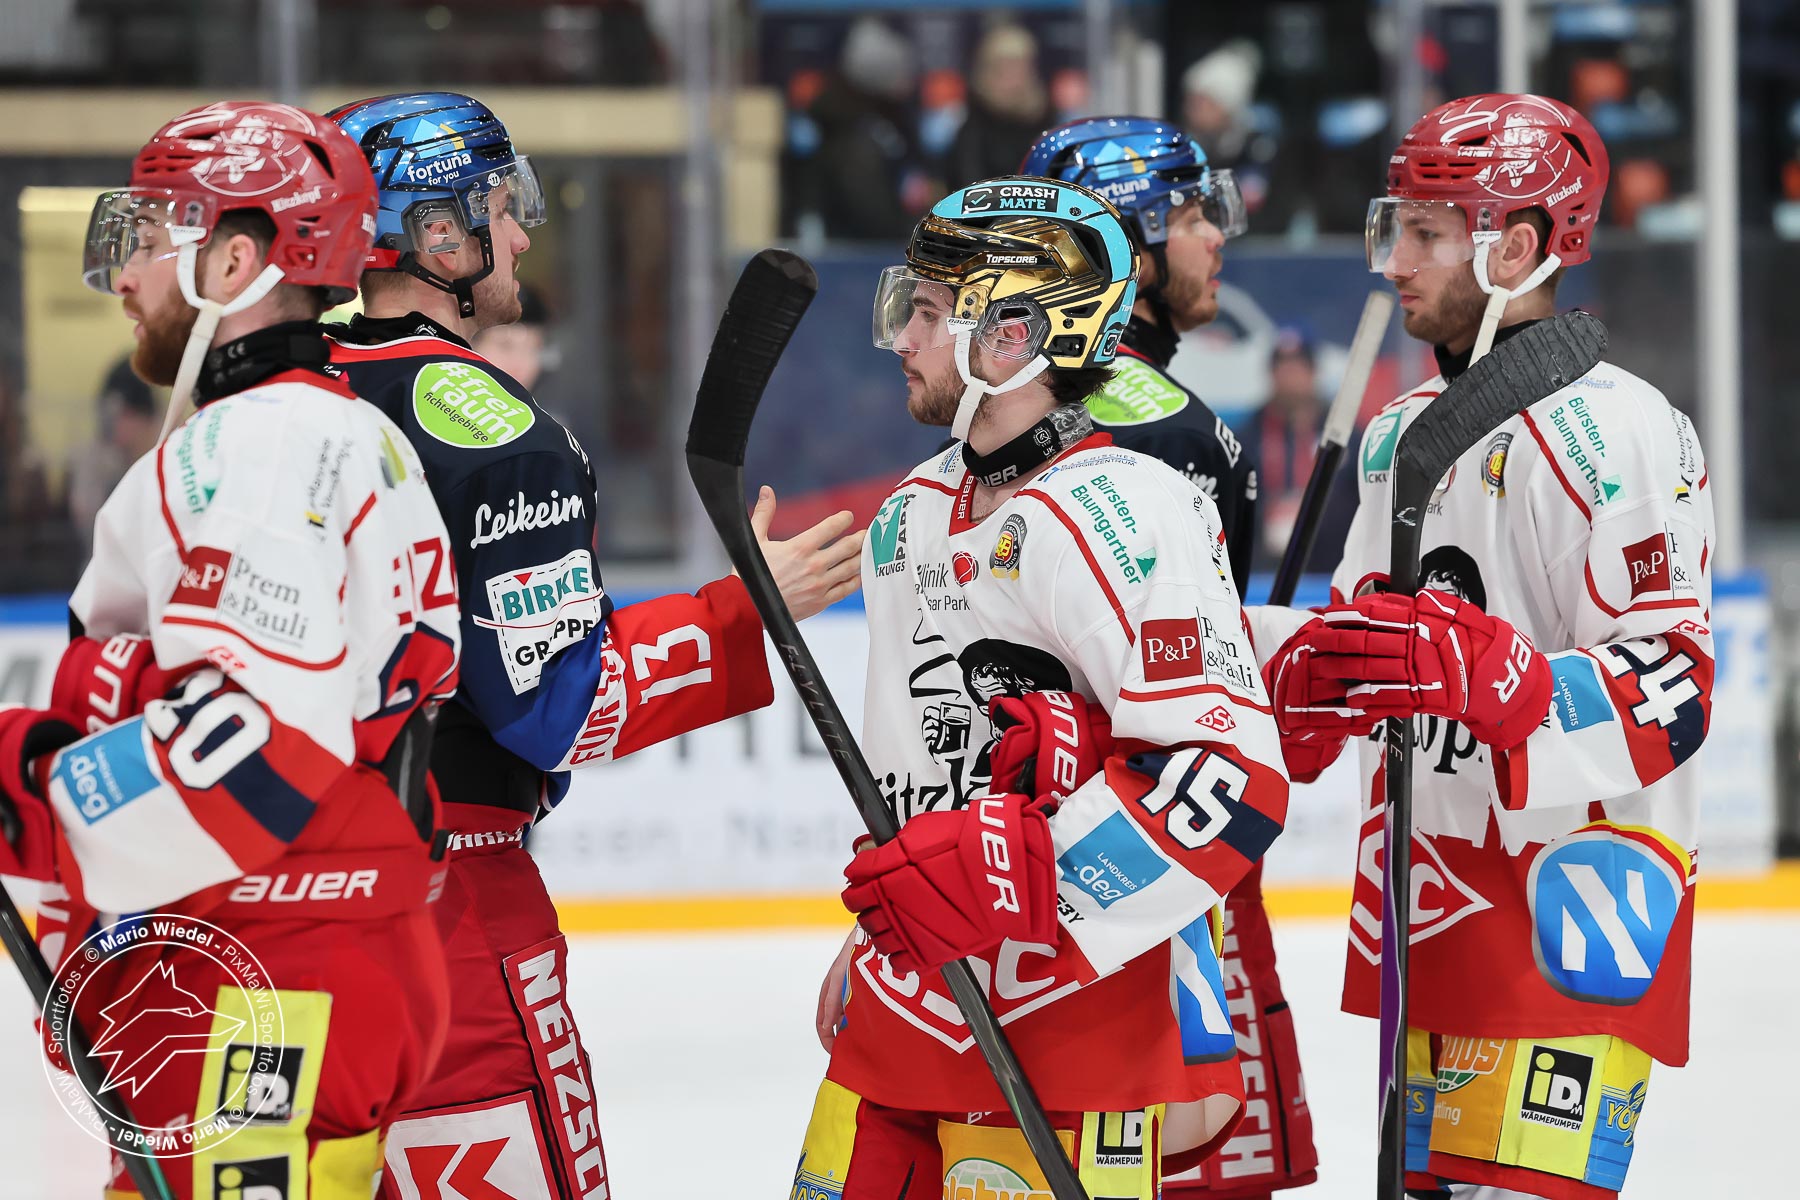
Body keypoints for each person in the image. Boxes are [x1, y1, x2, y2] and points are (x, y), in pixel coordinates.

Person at [322, 91, 864, 1200]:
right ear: (435, 235)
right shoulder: (494, 431)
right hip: (446, 914)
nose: (520, 236)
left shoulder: (273, 394)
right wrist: (742, 614)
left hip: (276, 920)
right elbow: (561, 708)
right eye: (498, 210)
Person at [1250, 93, 1710, 1200]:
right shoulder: (1398, 433)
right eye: (1393, 228)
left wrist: (1512, 685)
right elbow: (1360, 636)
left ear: (1516, 245)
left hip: (1569, 912)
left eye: (1426, 233)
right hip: (1431, 904)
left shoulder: (1621, 430)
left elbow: (1677, 680)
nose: (1394, 263)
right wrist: (1299, 675)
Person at [793, 175, 1289, 1200]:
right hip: (910, 1002)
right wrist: (878, 928)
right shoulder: (910, 512)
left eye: (930, 311)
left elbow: (1227, 779)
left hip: (1069, 1024)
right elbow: (917, 771)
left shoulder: (1129, 509)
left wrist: (1033, 883)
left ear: (1014, 335)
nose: (903, 338)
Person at [0, 100, 461, 1198]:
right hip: (308, 958)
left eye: (151, 238)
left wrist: (37, 790)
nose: (123, 277)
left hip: (262, 981)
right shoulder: (332, 428)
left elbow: (259, 744)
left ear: (237, 261)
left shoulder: (260, 446)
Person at [1022, 116, 1318, 1200]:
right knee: (1184, 1161)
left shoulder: (1008, 396)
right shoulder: (1176, 428)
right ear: (1130, 249)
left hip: (1026, 855)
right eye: (1192, 215)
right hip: (1151, 846)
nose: (1215, 238)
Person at [1241, 324, 1360, 575]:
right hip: (1263, 570)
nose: (1290, 378)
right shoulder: (1247, 436)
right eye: (1282, 369)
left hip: (1332, 569)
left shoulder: (1346, 433)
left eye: (1298, 368)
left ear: (1313, 372)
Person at [943, 23, 1054, 189]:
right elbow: (969, 187)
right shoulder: (975, 125)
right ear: (990, 70)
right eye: (1008, 66)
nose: (1016, 74)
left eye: (1022, 65)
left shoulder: (1046, 117)